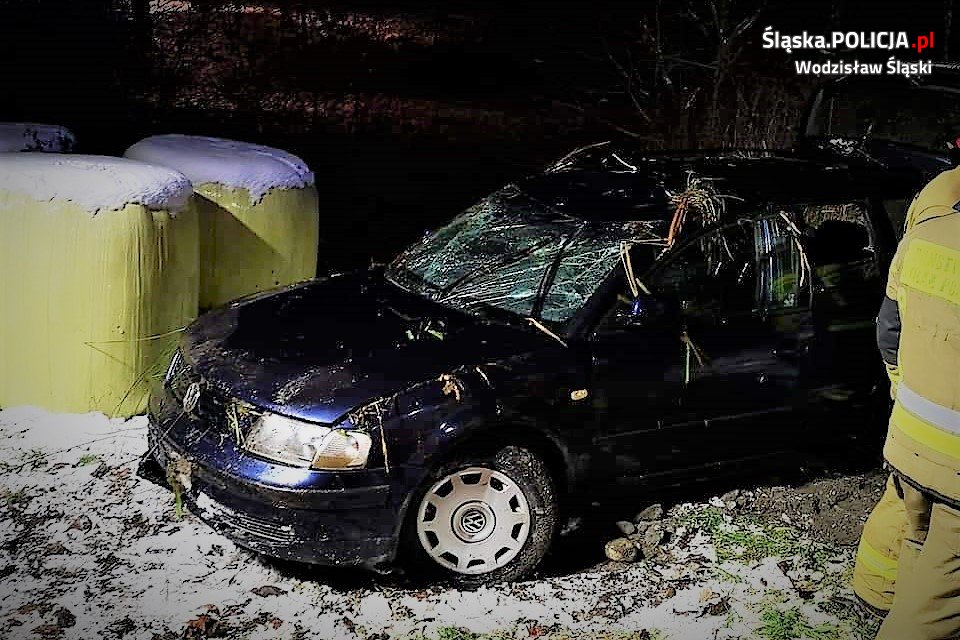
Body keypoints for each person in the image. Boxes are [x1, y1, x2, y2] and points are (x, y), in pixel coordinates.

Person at [852, 148, 960, 623]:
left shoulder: (926, 236)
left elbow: (889, 330)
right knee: (940, 598)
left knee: (913, 532)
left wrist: (905, 389)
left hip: (910, 435)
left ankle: (875, 599)